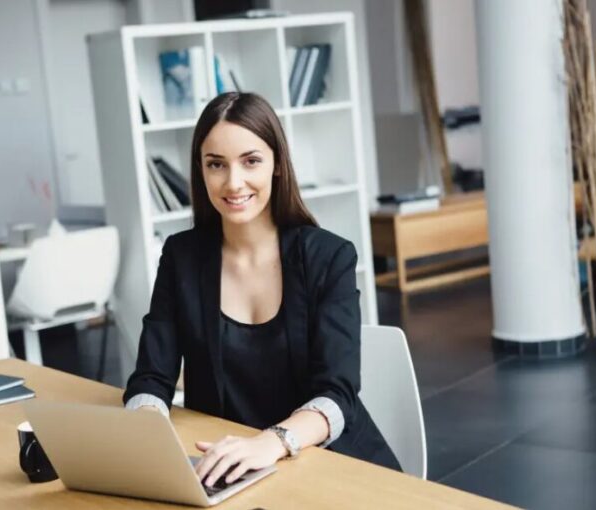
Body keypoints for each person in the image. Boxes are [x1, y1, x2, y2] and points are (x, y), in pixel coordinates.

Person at [123, 92, 401, 489]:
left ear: (276, 165)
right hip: (232, 470)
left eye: (250, 161)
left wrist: (272, 442)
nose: (233, 182)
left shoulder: (328, 257)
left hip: (330, 465)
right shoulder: (181, 256)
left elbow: (337, 396)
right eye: (216, 164)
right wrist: (147, 431)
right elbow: (151, 376)